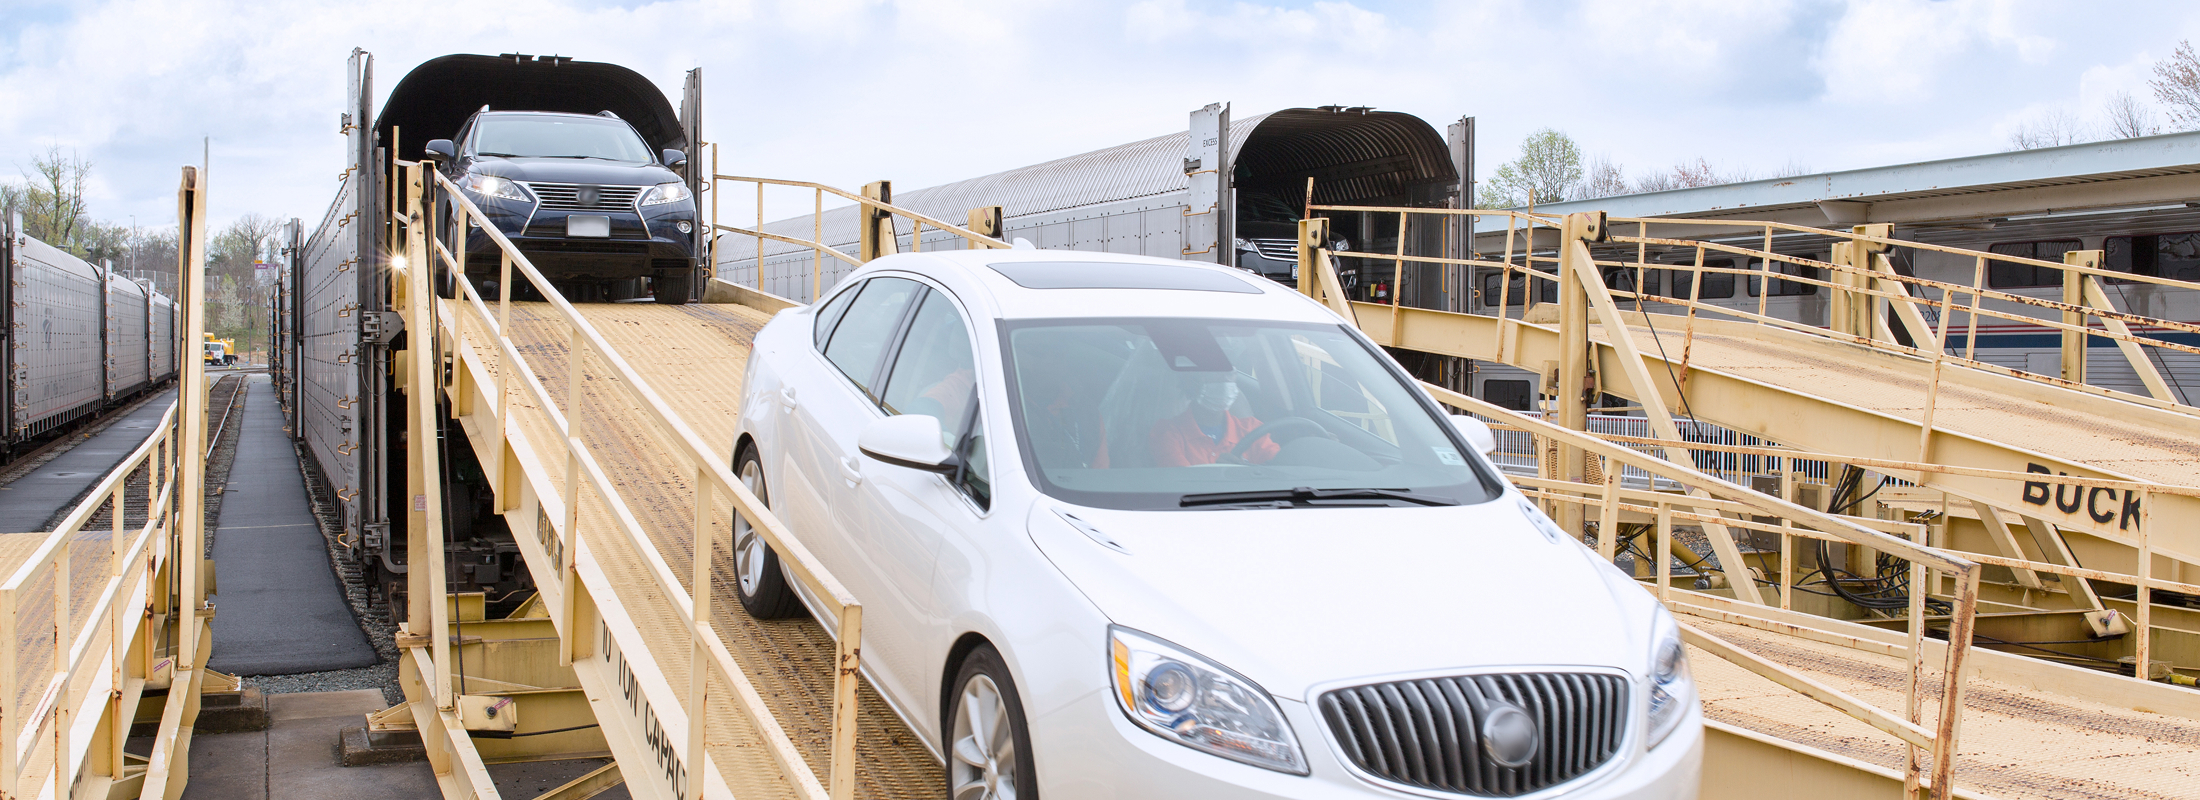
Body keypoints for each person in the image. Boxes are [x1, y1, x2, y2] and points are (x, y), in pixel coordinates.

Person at [1149, 372, 1278, 467]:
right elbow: (1180, 484)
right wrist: (1218, 473)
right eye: (1216, 372)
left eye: (1230, 372)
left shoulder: (1253, 430)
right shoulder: (1167, 433)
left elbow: (1280, 469)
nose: (1226, 378)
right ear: (1191, 383)